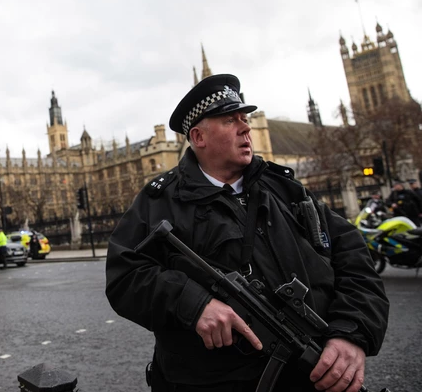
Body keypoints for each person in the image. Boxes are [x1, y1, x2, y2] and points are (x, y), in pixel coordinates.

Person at [105, 74, 389, 392]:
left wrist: (351, 331)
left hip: (312, 373)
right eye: (230, 120)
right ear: (198, 137)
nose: (246, 128)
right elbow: (124, 277)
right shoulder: (159, 200)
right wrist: (193, 303)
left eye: (245, 118)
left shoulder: (286, 189)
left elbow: (352, 255)